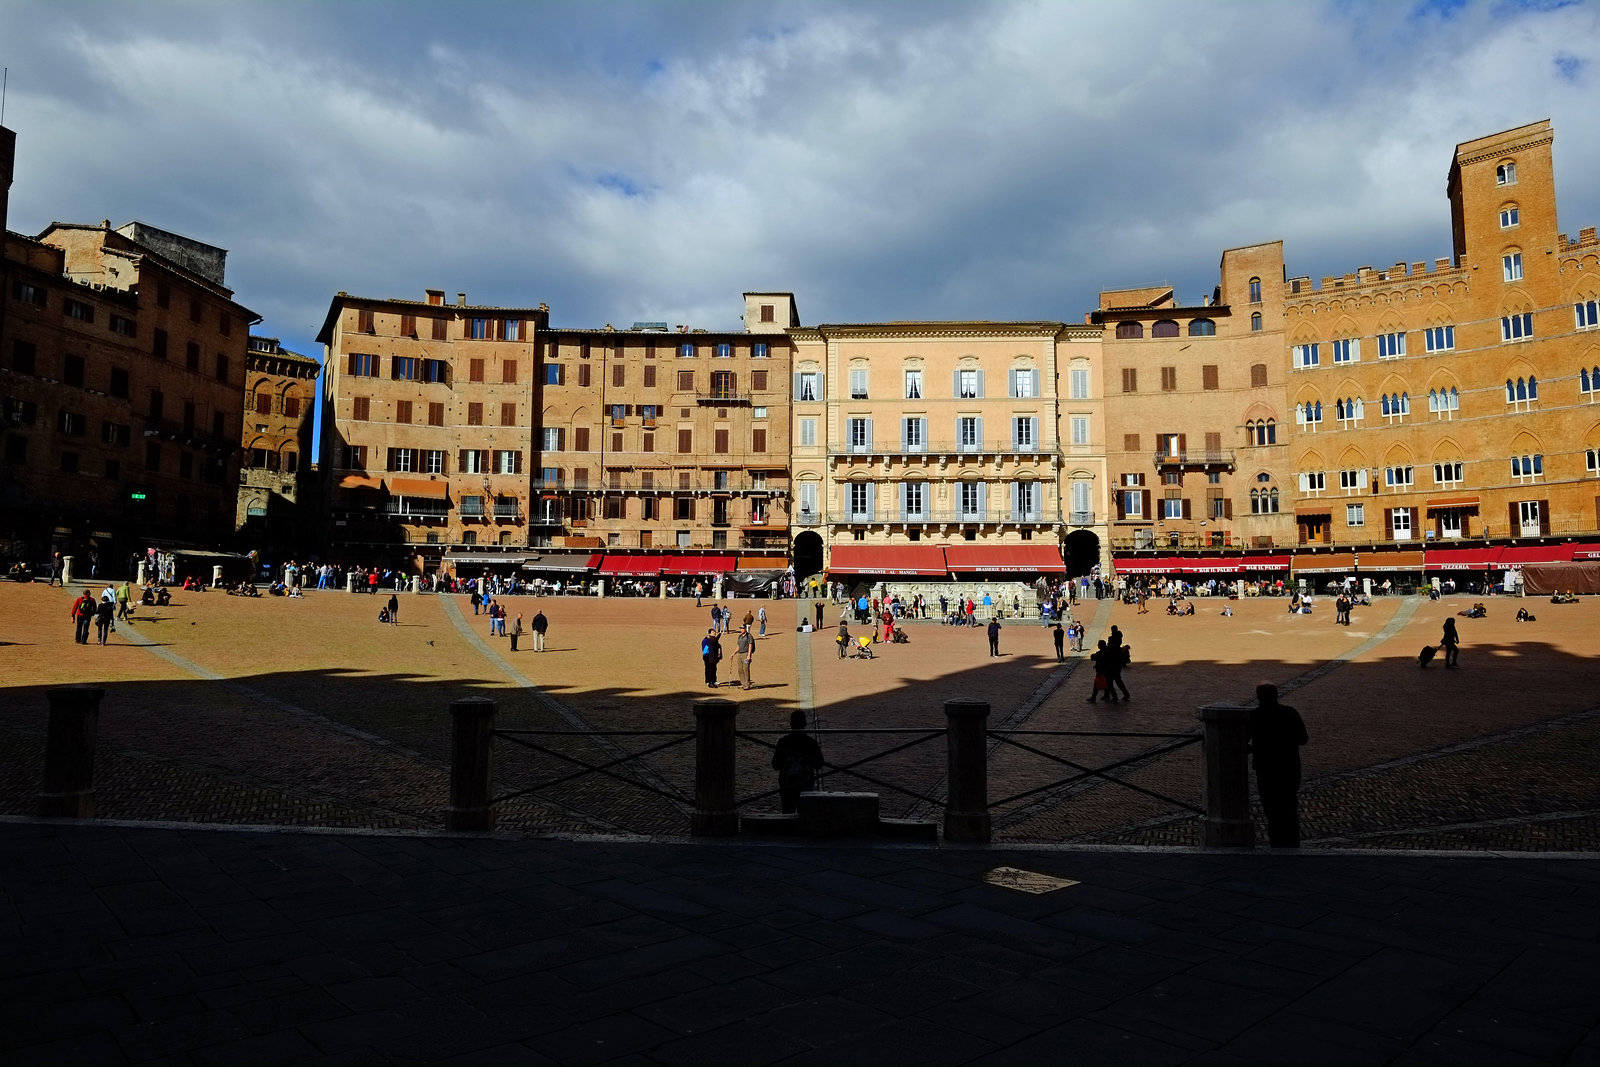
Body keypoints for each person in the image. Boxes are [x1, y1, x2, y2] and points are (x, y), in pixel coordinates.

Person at [1249, 683, 1309, 848]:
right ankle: (1292, 843)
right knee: (1289, 807)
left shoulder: (1255, 716)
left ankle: (1276, 843)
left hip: (1266, 769)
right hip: (1289, 768)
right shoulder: (1290, 713)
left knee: (1271, 809)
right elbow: (1303, 739)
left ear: (1259, 697)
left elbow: (1242, 741)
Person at [772, 710, 825, 814]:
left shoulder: (783, 742)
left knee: (787, 811)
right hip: (805, 783)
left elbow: (775, 765)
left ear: (791, 724)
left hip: (787, 784)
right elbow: (819, 764)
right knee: (805, 813)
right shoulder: (811, 743)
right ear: (805, 724)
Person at [736, 623, 756, 690]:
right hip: (740, 654)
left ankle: (747, 684)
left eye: (742, 628)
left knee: (746, 669)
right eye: (740, 628)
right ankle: (743, 683)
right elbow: (738, 646)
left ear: (745, 629)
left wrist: (749, 655)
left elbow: (750, 645)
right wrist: (734, 653)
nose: (741, 630)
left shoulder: (749, 636)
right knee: (740, 669)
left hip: (745, 654)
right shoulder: (740, 636)